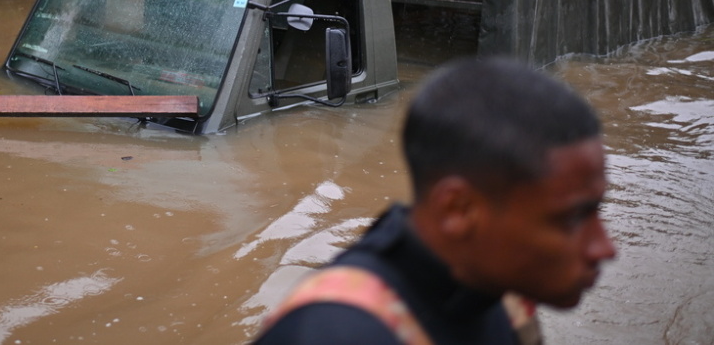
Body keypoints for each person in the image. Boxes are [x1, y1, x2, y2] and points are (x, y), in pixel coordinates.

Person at [253, 57, 617, 345]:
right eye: (572, 218)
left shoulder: (502, 296)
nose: (604, 249)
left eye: (597, 210)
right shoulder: (331, 334)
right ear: (457, 210)